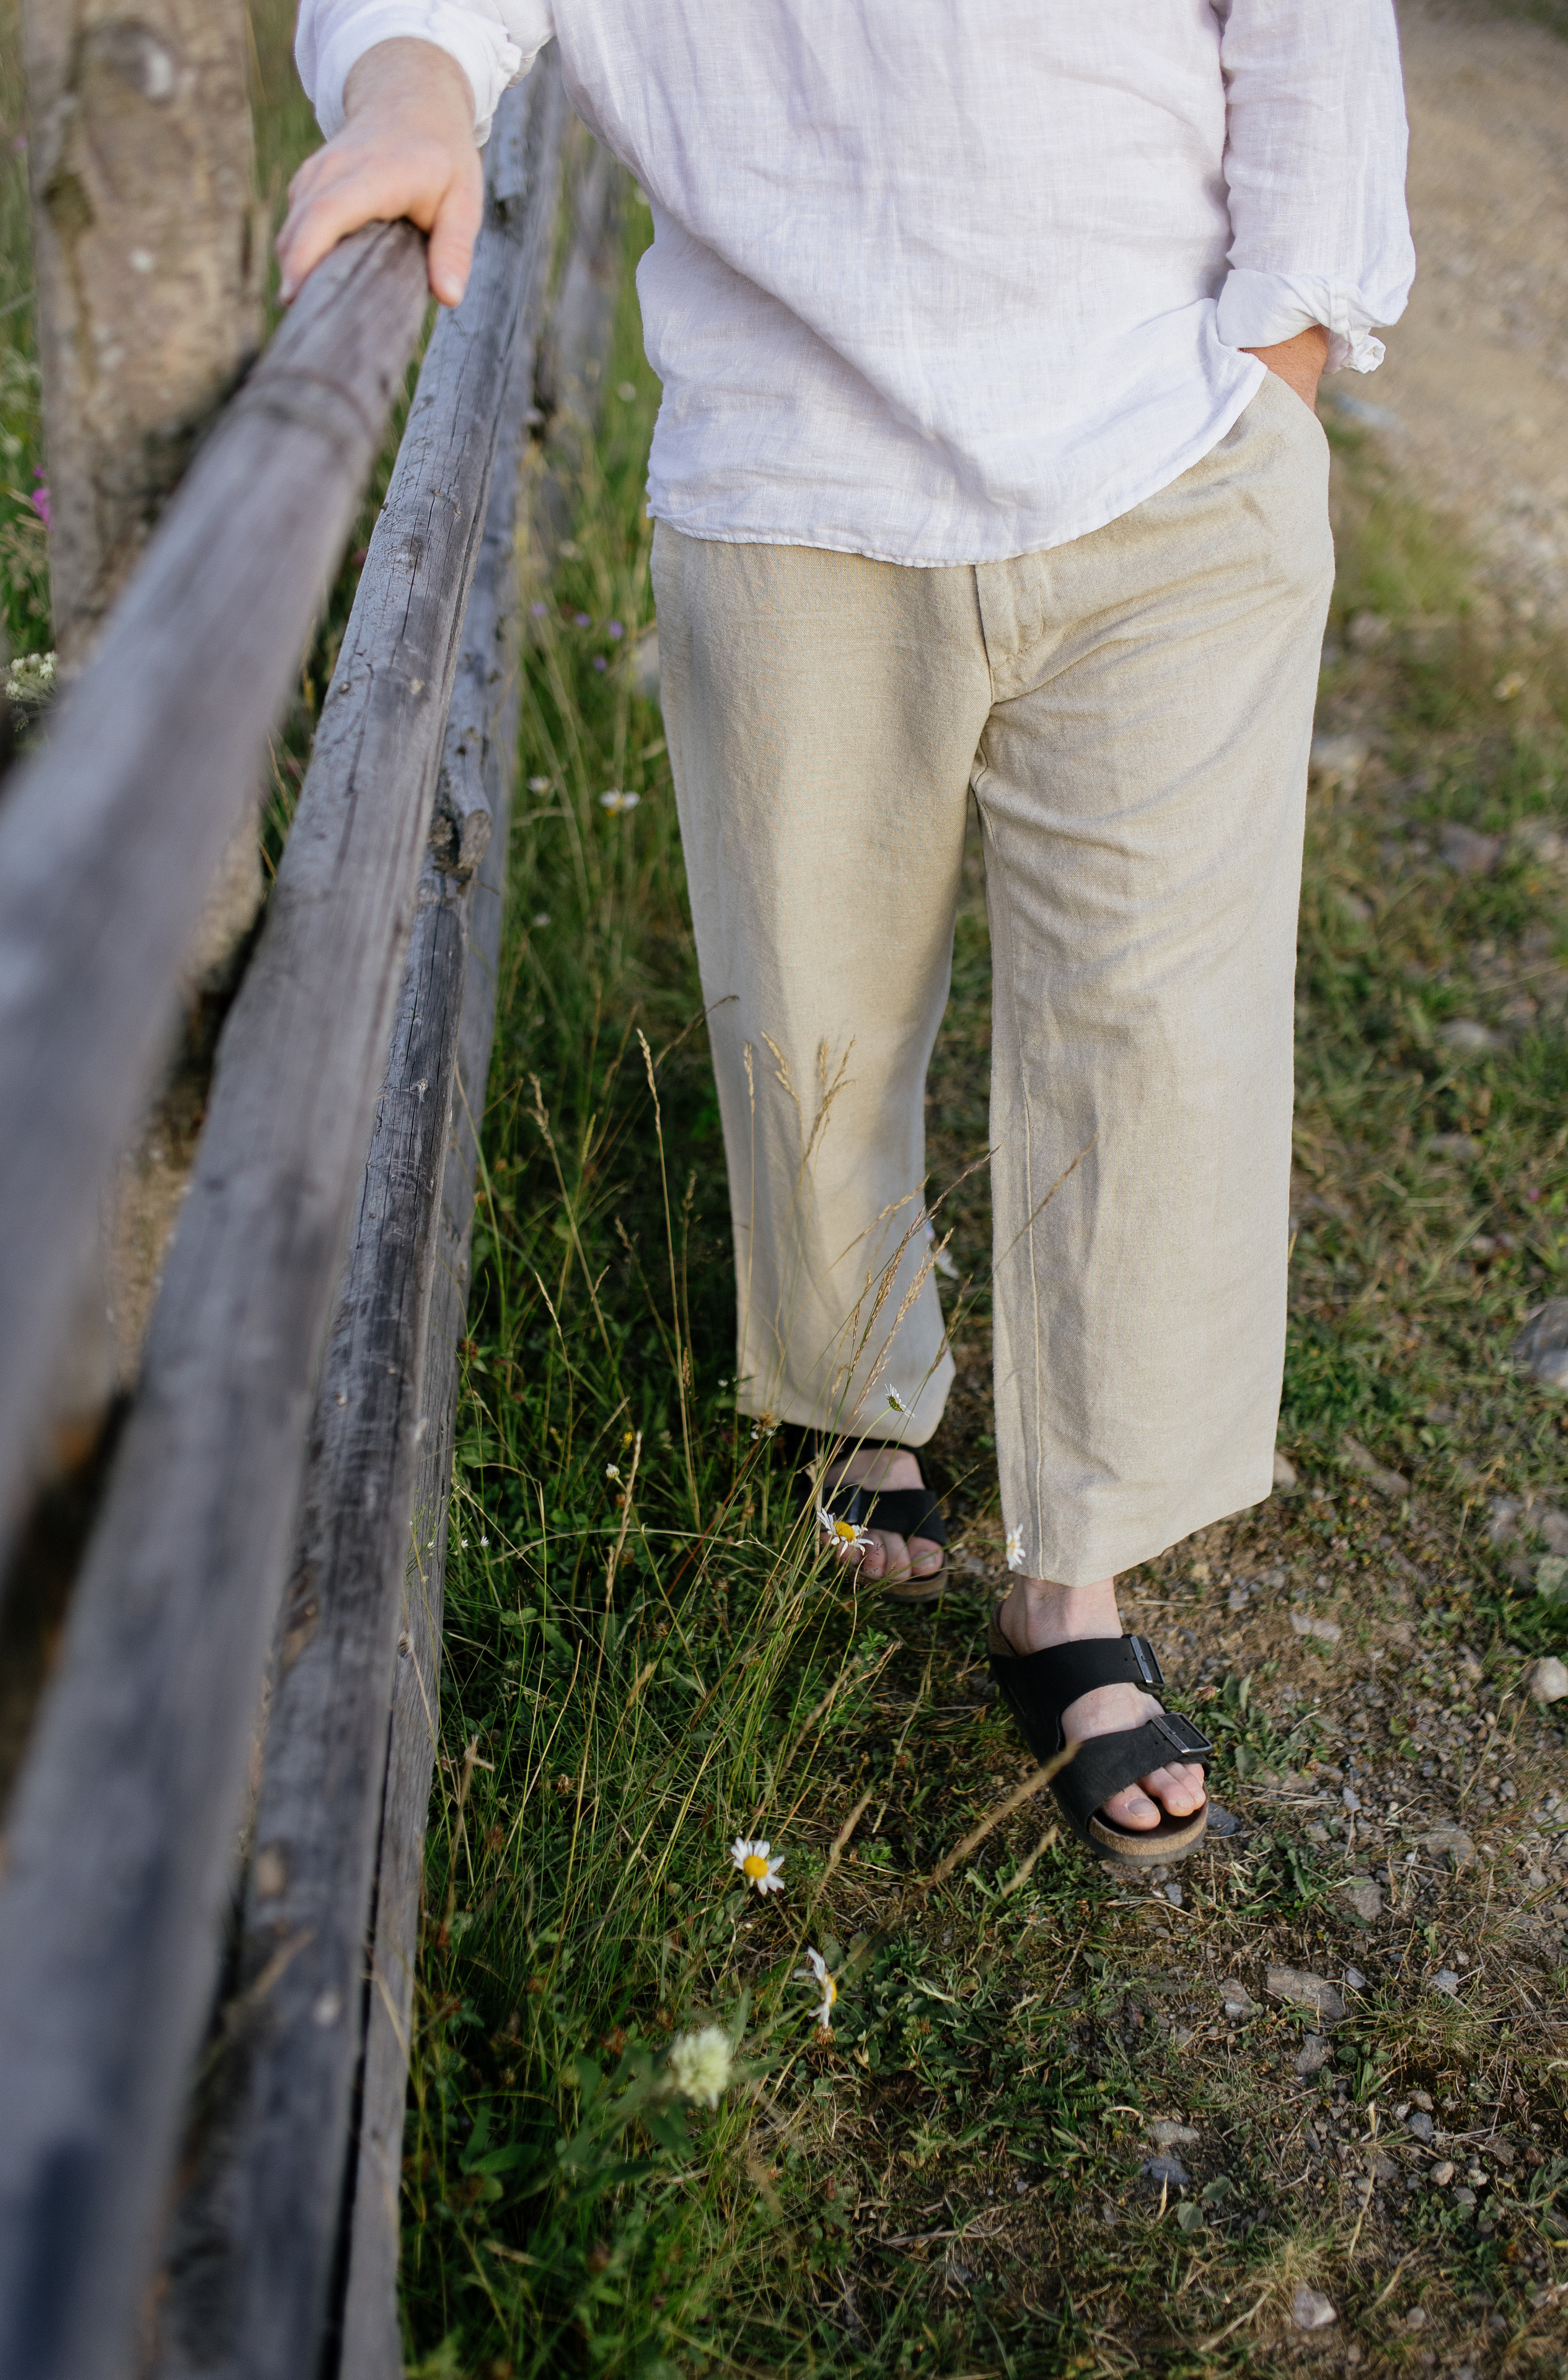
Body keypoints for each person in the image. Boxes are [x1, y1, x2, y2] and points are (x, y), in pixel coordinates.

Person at [286, 1, 1413, 1862]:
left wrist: (1281, 349)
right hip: (789, 465)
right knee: (814, 995)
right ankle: (859, 1396)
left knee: (1160, 1035)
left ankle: (1076, 1576)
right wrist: (408, 87)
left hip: (1172, 437)